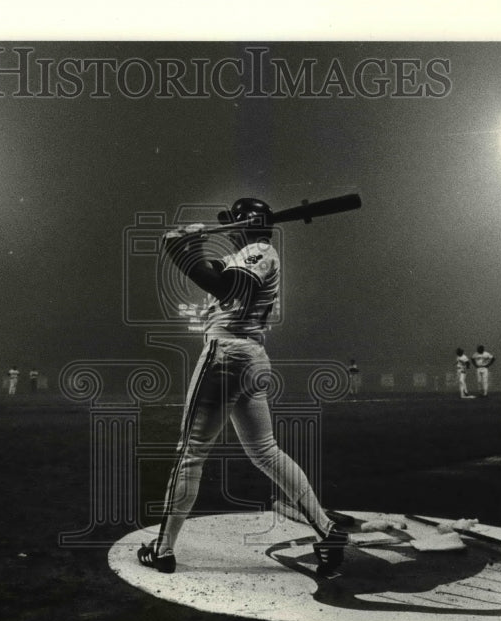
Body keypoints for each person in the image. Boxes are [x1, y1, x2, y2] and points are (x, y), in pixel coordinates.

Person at [137, 197, 348, 577]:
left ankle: (162, 550)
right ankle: (328, 531)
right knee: (266, 453)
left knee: (191, 452)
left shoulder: (260, 251)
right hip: (249, 357)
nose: (229, 230)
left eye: (233, 224)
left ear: (247, 225)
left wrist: (176, 254)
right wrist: (192, 247)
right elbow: (211, 271)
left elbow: (223, 287)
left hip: (227, 354)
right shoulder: (249, 254)